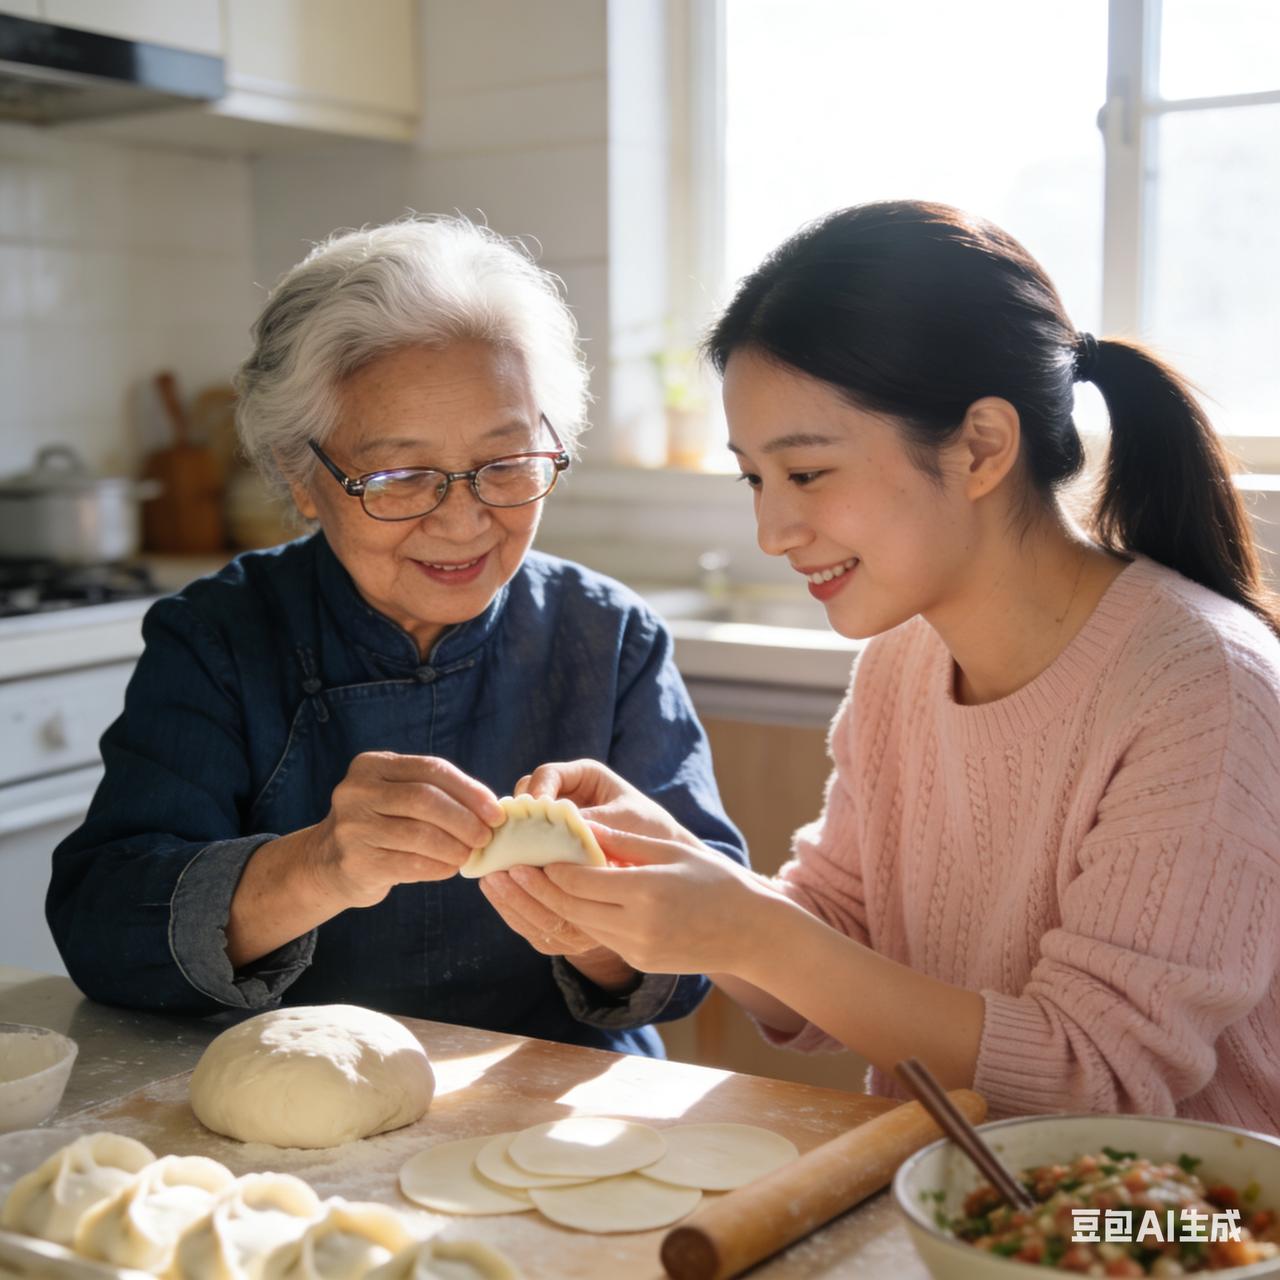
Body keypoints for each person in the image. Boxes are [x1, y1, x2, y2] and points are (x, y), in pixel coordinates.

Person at [495, 201, 1280, 1130]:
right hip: (957, 1206)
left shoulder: (1203, 688)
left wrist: (746, 927)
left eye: (809, 473)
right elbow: (825, 961)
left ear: (982, 445)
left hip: (1175, 1239)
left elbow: (1090, 1081)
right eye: (755, 477)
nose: (773, 532)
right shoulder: (904, 659)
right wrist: (659, 870)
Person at [46, 216, 745, 1058]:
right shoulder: (219, 637)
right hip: (292, 1097)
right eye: (401, 476)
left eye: (507, 462)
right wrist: (319, 866)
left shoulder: (609, 636)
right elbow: (102, 929)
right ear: (303, 480)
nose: (462, 519)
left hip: (564, 1098)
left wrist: (594, 929)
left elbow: (710, 947)